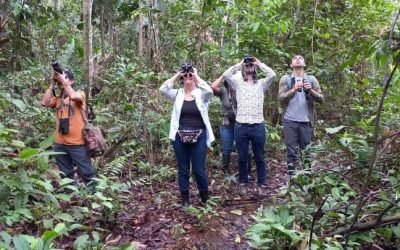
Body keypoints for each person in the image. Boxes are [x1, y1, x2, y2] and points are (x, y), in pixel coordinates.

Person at [160, 64, 215, 207]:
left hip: (200, 136)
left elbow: (209, 90)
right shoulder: (177, 94)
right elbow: (163, 89)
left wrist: (195, 74)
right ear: (182, 79)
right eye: (186, 75)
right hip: (179, 137)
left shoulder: (201, 95)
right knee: (183, 169)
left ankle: (204, 200)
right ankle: (185, 201)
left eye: (189, 75)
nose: (188, 77)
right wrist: (178, 74)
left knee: (199, 170)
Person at [223, 56, 276, 195]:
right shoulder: (237, 84)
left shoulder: (261, 84)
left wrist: (259, 63)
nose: (248, 66)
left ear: (255, 68)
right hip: (241, 125)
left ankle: (262, 182)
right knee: (242, 156)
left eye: (250, 65)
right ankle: (243, 181)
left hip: (258, 125)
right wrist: (239, 64)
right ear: (243, 68)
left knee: (259, 156)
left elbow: (273, 75)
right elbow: (226, 75)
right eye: (247, 65)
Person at [41, 69, 96, 191]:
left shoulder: (80, 94)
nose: (61, 80)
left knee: (87, 172)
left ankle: (94, 198)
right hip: (60, 144)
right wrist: (51, 84)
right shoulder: (58, 99)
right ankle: (70, 198)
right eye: (59, 77)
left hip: (77, 143)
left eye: (64, 77)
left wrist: (63, 82)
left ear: (71, 81)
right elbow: (44, 103)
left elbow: (74, 96)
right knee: (65, 174)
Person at [278, 55, 324, 177]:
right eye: (295, 57)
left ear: (304, 64)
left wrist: (310, 91)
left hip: (306, 121)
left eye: (300, 57)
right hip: (290, 121)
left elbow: (321, 99)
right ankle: (293, 180)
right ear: (291, 65)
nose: (298, 58)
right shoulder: (285, 79)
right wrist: (293, 89)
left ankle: (307, 180)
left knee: (306, 152)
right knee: (291, 152)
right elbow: (280, 98)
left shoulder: (312, 79)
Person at [210, 76, 253, 177]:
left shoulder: (243, 90)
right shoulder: (224, 91)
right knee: (227, 148)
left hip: (242, 123)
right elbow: (212, 87)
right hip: (227, 124)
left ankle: (247, 171)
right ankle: (226, 171)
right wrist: (223, 75)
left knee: (246, 148)